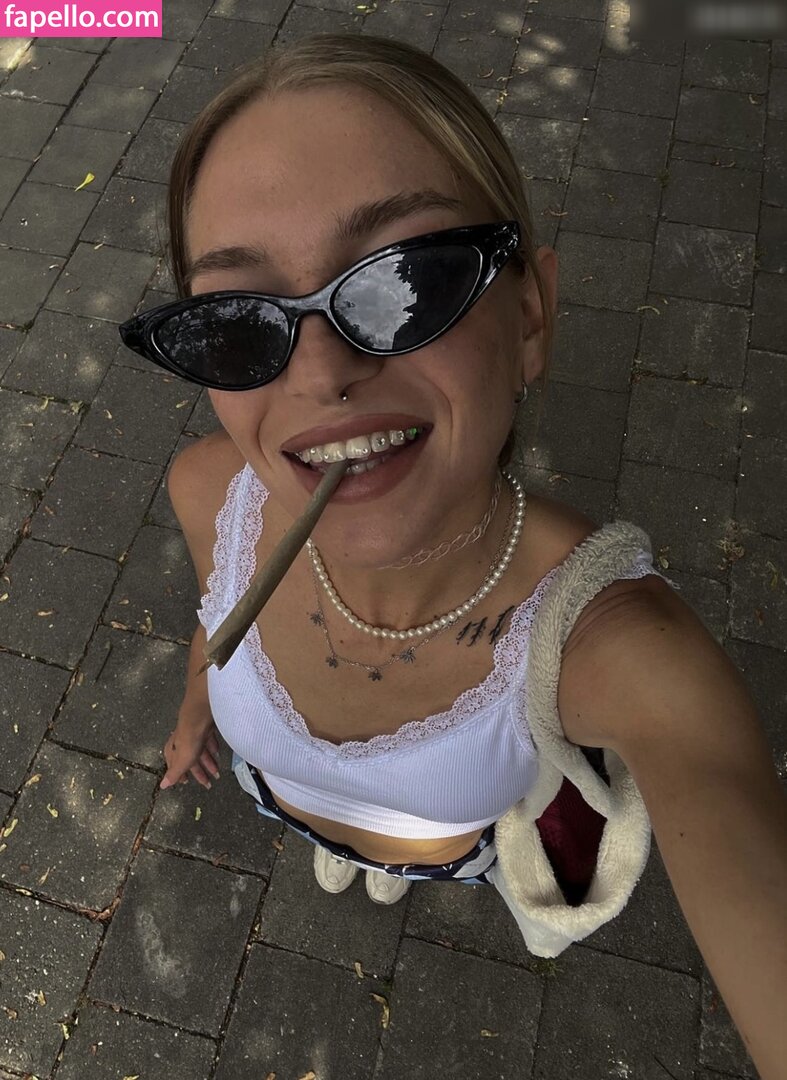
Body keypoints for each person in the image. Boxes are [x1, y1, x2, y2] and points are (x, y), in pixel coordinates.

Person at [119, 35, 787, 1079]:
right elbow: (218, 612)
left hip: (454, 849)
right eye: (237, 321)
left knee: (403, 865)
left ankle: (393, 867)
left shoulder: (616, 647)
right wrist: (196, 707)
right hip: (279, 795)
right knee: (336, 854)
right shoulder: (208, 487)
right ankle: (348, 855)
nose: (322, 376)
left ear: (530, 314)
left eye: (404, 280)